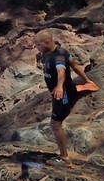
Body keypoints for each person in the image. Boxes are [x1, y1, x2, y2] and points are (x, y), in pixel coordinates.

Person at [34, 27, 96, 162]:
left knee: (55, 125)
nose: (36, 48)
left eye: (38, 45)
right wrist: (86, 80)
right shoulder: (50, 52)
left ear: (45, 42)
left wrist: (59, 86)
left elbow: (61, 71)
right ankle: (63, 154)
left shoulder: (59, 55)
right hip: (58, 93)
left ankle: (64, 157)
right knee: (55, 124)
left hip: (63, 94)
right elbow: (74, 65)